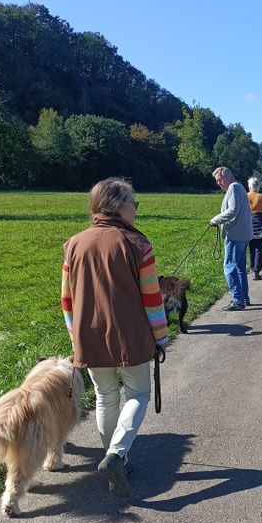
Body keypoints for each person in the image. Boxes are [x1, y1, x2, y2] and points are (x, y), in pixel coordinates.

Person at [61, 177, 169, 497]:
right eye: (134, 202)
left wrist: (74, 335)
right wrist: (161, 337)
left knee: (105, 397)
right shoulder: (138, 245)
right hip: (131, 336)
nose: (136, 209)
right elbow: (152, 299)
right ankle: (117, 455)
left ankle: (113, 457)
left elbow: (67, 300)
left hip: (88, 335)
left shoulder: (74, 244)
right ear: (119, 206)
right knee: (138, 395)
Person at [209, 166, 253, 310]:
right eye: (217, 181)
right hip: (243, 234)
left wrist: (215, 220)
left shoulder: (233, 188)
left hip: (235, 235)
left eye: (219, 180)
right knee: (240, 268)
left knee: (229, 268)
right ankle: (244, 297)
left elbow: (232, 211)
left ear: (227, 177)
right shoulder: (239, 187)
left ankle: (238, 301)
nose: (218, 183)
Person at [247, 176, 262, 280]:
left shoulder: (245, 196)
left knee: (251, 249)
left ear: (249, 186)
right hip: (260, 225)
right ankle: (257, 271)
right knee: (259, 250)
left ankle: (252, 268)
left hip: (248, 225)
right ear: (258, 186)